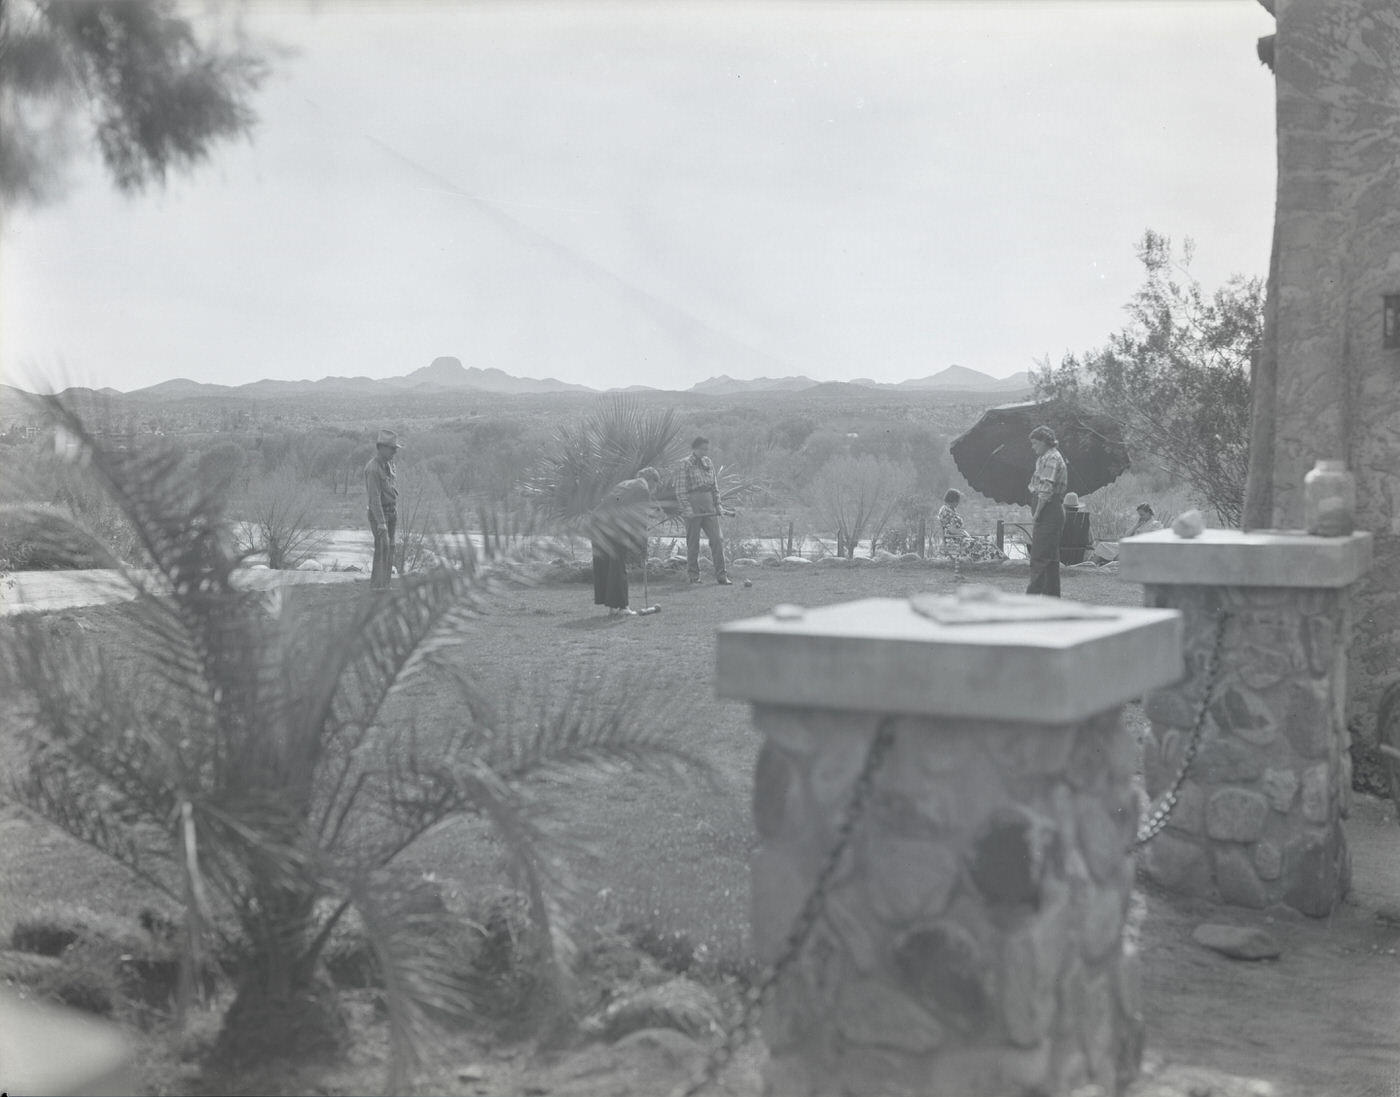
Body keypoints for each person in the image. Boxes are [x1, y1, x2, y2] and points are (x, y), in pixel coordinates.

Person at [592, 467, 661, 617]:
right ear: (651, 480)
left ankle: (612, 607)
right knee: (617, 565)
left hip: (598, 522)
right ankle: (622, 607)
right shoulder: (643, 489)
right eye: (655, 485)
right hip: (613, 525)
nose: (654, 489)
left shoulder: (625, 483)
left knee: (606, 565)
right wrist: (643, 547)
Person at [679, 436, 731, 585]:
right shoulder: (684, 464)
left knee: (717, 539)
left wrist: (718, 505)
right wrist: (687, 509)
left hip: (709, 503)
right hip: (692, 503)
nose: (705, 452)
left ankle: (722, 576)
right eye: (702, 449)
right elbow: (681, 490)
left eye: (707, 449)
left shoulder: (708, 462)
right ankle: (694, 577)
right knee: (693, 542)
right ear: (694, 448)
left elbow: (714, 486)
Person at [1025, 425, 1069, 597]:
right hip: (1047, 508)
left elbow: (1046, 490)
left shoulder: (1051, 458)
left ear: (1044, 442)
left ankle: (1032, 599)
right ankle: (1051, 599)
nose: (1033, 446)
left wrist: (1037, 514)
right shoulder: (1043, 458)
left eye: (1035, 443)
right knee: (1050, 559)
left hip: (1049, 509)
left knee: (1039, 557)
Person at [365, 428, 402, 590]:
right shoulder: (372, 469)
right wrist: (381, 522)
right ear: (381, 448)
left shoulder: (389, 465)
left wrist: (394, 510)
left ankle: (384, 585)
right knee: (382, 548)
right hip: (380, 514)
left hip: (391, 511)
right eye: (392, 448)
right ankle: (377, 586)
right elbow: (374, 498)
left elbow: (391, 489)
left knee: (390, 548)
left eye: (395, 448)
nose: (394, 451)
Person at [938, 489, 973, 554]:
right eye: (957, 501)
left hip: (959, 538)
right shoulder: (945, 511)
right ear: (952, 500)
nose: (958, 503)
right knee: (982, 545)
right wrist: (965, 534)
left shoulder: (951, 509)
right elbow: (952, 530)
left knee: (986, 543)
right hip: (954, 540)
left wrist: (966, 535)